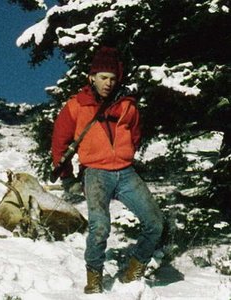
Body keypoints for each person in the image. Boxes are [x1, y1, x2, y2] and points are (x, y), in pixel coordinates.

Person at [51, 46, 163, 294]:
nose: (108, 83)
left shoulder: (127, 106)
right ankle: (94, 278)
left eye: (113, 79)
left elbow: (135, 136)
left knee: (155, 223)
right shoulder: (76, 105)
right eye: (103, 77)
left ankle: (134, 267)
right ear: (91, 77)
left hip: (125, 172)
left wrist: (124, 154)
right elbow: (59, 142)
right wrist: (68, 177)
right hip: (96, 173)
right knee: (100, 227)